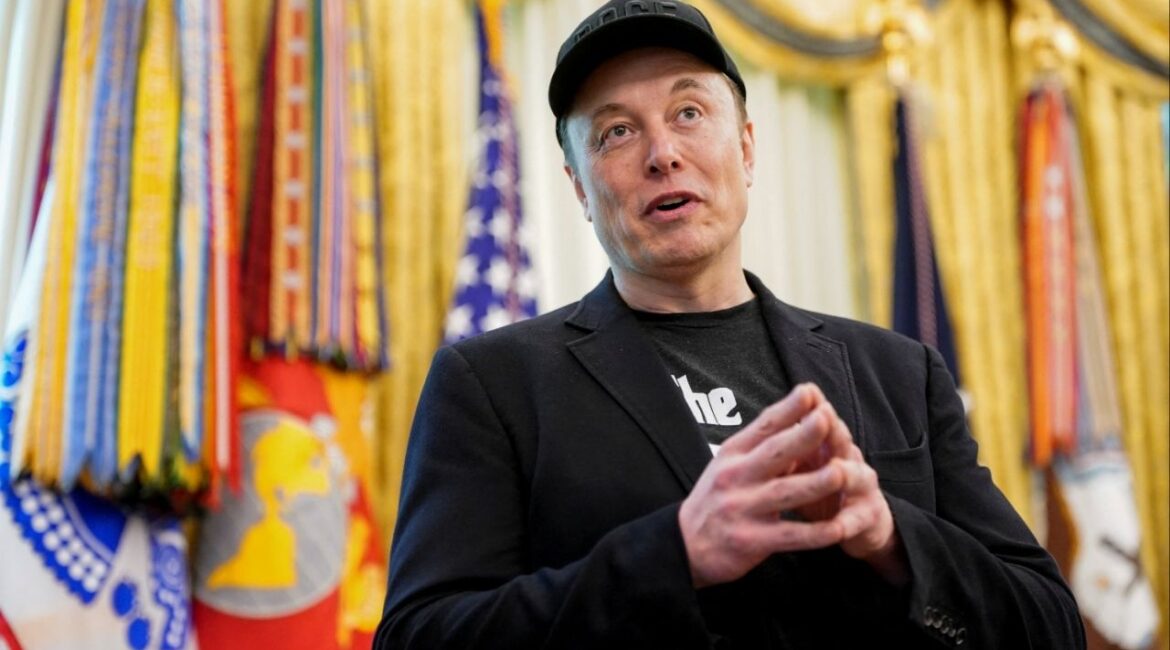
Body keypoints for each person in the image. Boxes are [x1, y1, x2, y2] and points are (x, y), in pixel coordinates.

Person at [375, 1, 1085, 647]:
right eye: (616, 132)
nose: (662, 153)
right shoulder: (491, 384)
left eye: (688, 113)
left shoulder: (900, 372)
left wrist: (893, 537)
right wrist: (674, 554)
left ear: (746, 149)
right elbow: (420, 636)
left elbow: (1050, 623)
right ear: (579, 189)